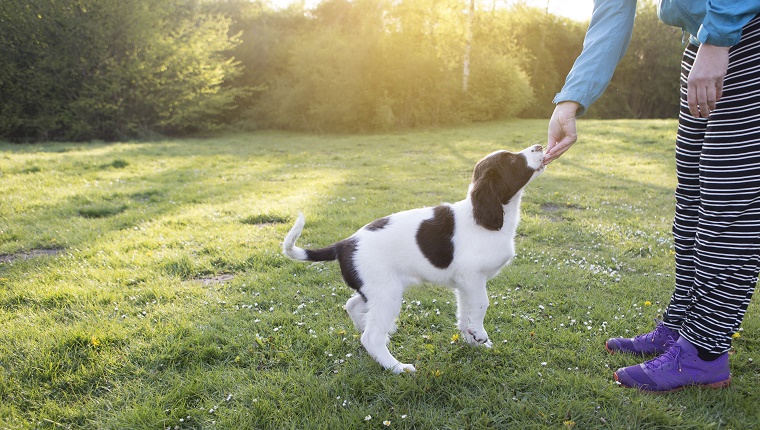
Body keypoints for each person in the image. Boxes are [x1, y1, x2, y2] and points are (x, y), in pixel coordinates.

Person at [545, 0, 760, 392]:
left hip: (742, 35)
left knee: (729, 202)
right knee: (693, 203)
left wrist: (718, 41)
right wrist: (570, 99)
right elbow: (613, 11)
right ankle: (681, 326)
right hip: (703, 43)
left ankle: (704, 353)